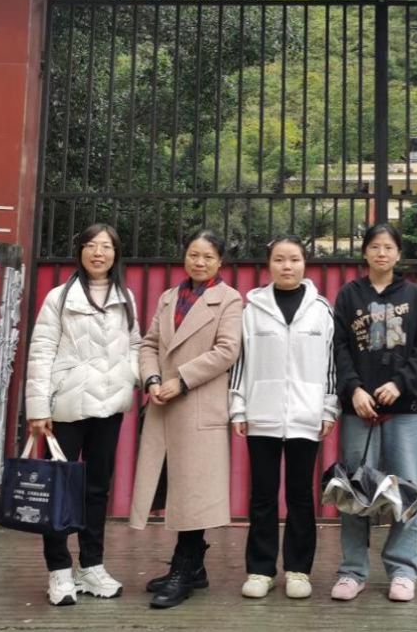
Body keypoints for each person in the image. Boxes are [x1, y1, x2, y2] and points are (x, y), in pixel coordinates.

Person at [24, 223, 141, 606]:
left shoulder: (126, 297)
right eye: (90, 246)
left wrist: (130, 376)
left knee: (96, 488)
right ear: (80, 252)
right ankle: (59, 571)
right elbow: (41, 351)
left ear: (115, 253)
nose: (98, 253)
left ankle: (92, 566)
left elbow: (135, 343)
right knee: (58, 488)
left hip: (109, 405)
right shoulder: (60, 297)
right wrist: (38, 408)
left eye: (105, 246)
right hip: (66, 406)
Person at [130, 231, 243, 609]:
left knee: (194, 492)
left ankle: (184, 567)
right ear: (185, 257)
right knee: (175, 488)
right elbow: (149, 344)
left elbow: (227, 350)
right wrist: (152, 379)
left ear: (220, 261)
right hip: (163, 403)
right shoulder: (168, 297)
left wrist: (181, 380)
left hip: (197, 404)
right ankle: (193, 568)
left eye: (208, 256)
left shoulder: (229, 299)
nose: (199, 262)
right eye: (194, 254)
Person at [329, 223, 417, 604]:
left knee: (405, 491)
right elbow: (339, 347)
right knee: (354, 490)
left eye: (388, 247)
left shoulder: (415, 297)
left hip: (404, 410)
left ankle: (403, 570)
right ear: (364, 252)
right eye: (374, 246)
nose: (381, 253)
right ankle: (352, 570)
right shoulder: (349, 295)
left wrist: (400, 384)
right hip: (358, 410)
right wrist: (353, 389)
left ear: (398, 254)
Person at [229, 236, 339, 600]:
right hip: (261, 413)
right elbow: (241, 361)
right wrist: (238, 406)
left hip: (306, 415)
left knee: (300, 495)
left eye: (294, 259)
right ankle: (260, 570)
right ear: (269, 264)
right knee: (262, 495)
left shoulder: (321, 309)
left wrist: (328, 407)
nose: (287, 266)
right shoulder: (252, 309)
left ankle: (298, 570)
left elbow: (330, 364)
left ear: (305, 264)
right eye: (279, 259)